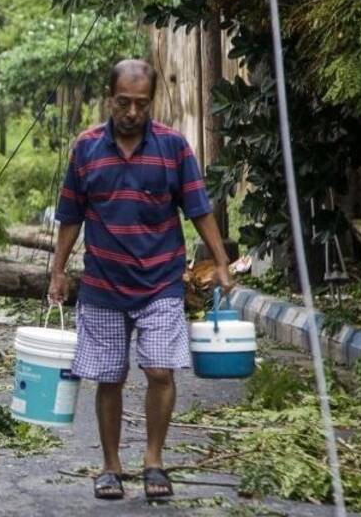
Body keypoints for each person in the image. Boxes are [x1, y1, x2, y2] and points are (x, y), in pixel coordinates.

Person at [48, 59, 231, 501]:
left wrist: (221, 261)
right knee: (109, 377)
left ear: (152, 101)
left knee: (160, 370)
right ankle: (111, 467)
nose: (132, 112)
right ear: (110, 98)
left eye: (141, 104)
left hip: (161, 281)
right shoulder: (86, 148)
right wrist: (57, 270)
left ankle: (153, 460)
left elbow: (199, 209)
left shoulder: (173, 147)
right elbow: (71, 216)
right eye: (123, 102)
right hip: (103, 285)